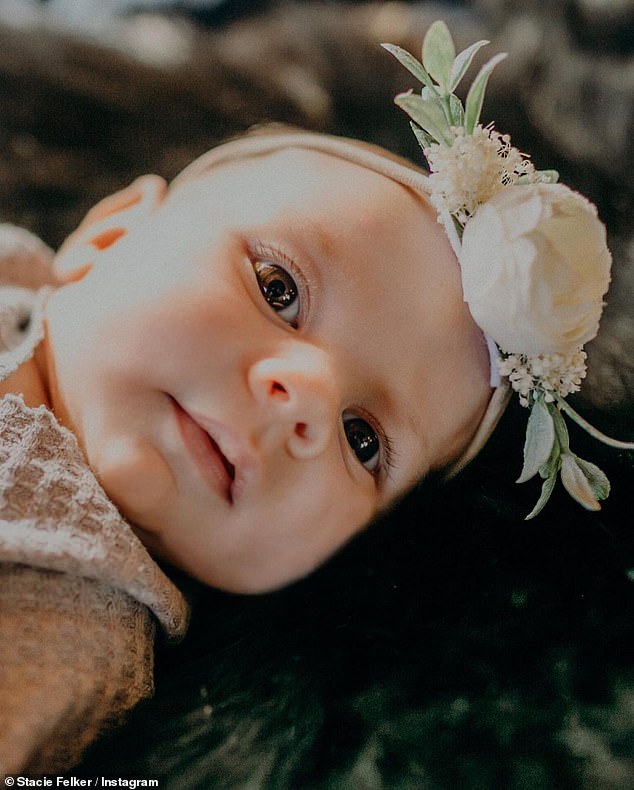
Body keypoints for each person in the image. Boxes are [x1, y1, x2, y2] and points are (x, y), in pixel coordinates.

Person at [1, 21, 631, 776]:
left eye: (362, 440)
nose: (304, 396)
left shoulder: (73, 635)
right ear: (108, 237)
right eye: (277, 290)